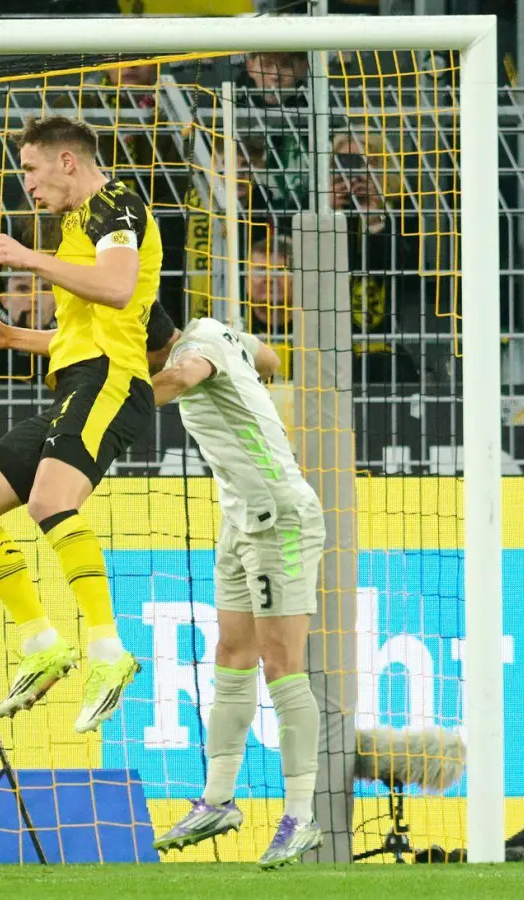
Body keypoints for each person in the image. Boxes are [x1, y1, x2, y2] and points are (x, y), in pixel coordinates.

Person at [0, 116, 174, 734]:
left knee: (50, 500)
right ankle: (43, 643)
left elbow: (118, 288)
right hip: (77, 382)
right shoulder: (76, 224)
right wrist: (11, 335)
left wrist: (28, 258)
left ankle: (109, 651)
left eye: (30, 168)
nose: (27, 183)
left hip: (111, 382)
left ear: (66, 161)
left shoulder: (117, 204)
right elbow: (79, 332)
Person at [146, 316, 324, 869]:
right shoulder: (213, 331)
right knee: (231, 653)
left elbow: (181, 377)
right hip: (241, 520)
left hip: (283, 519)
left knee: (282, 664)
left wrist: (114, 406)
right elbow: (269, 359)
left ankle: (301, 817)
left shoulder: (193, 353)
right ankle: (217, 800)